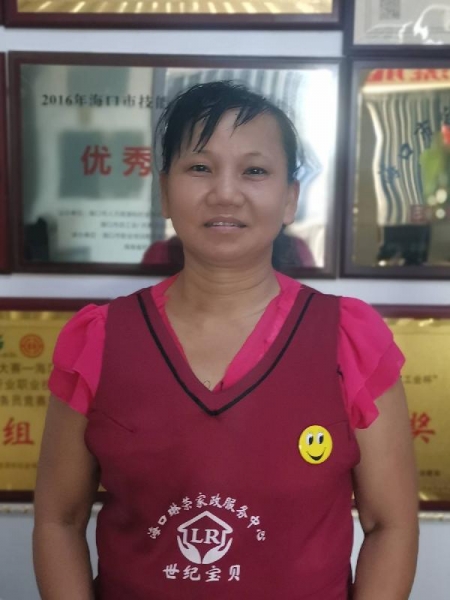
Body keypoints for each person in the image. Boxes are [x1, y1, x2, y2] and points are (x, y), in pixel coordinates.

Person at [33, 81, 418, 600]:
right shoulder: (98, 341)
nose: (225, 193)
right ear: (165, 192)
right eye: (200, 167)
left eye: (255, 171)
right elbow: (59, 518)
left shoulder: (347, 339)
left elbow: (390, 525)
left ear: (290, 198)